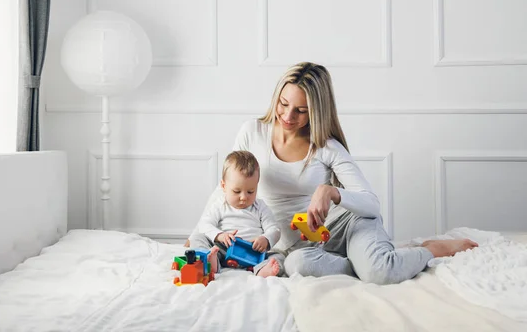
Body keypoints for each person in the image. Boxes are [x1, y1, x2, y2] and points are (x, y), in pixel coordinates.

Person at [189, 62, 478, 284]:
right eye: (284, 104)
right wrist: (199, 233)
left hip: (345, 225)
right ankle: (370, 260)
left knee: (380, 273)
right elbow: (228, 186)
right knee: (297, 266)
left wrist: (331, 191)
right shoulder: (252, 132)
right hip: (300, 246)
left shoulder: (326, 147)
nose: (288, 117)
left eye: (301, 110)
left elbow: (371, 203)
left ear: (317, 110)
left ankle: (432, 249)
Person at [189, 150, 282, 278]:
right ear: (224, 186)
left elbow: (274, 229)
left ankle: (262, 270)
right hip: (223, 250)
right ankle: (212, 262)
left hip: (253, 253)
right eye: (237, 191)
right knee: (197, 238)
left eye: (250, 191)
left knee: (280, 256)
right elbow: (205, 224)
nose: (243, 197)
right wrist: (220, 235)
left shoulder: (260, 207)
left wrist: (265, 239)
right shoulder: (220, 205)